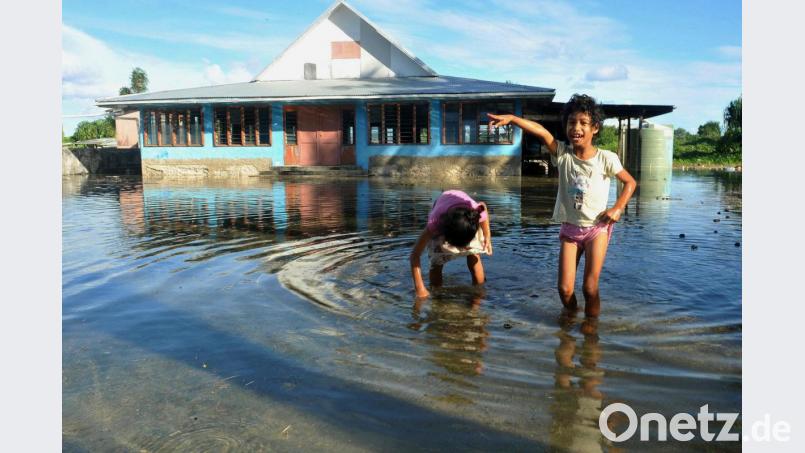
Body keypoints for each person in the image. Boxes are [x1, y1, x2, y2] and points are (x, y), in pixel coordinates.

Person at [488, 94, 636, 317]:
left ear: (595, 128)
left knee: (589, 287)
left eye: (583, 123)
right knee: (565, 290)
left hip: (598, 229)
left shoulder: (606, 158)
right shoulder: (562, 154)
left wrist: (617, 208)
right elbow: (541, 132)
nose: (576, 127)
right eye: (571, 122)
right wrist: (513, 119)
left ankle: (591, 328)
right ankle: (571, 317)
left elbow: (630, 182)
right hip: (570, 229)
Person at [410, 190, 492, 298]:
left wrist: (487, 237)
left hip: (464, 218)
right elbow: (415, 255)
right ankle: (437, 295)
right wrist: (420, 289)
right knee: (436, 262)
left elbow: (483, 208)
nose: (461, 248)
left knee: (474, 253)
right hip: (444, 217)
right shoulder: (435, 223)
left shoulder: (474, 212)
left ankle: (479, 290)